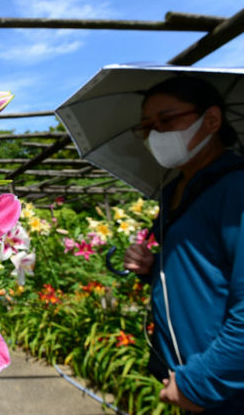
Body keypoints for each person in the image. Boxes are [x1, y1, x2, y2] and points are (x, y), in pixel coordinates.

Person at [124, 75, 244, 414]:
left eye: (167, 120)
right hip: (192, 378)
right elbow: (206, 270)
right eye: (146, 126)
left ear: (212, 120)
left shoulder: (236, 188)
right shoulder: (178, 191)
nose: (155, 134)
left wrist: (200, 382)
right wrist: (153, 268)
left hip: (224, 387)